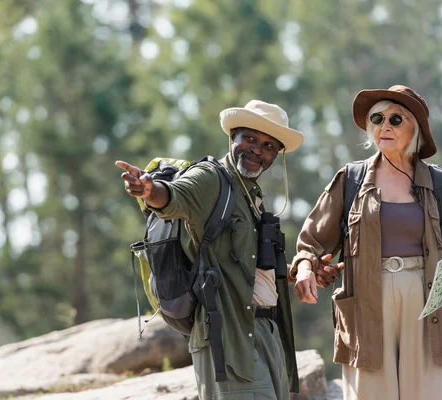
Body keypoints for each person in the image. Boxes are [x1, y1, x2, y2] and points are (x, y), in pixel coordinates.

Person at [116, 100, 339, 399]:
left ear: (277, 155)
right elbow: (173, 197)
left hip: (266, 333)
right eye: (250, 138)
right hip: (228, 337)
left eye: (269, 145)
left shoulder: (251, 196)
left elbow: (243, 267)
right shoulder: (210, 178)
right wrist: (149, 191)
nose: (258, 150)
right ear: (232, 135)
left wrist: (296, 274)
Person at [289, 85, 442, 399]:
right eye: (377, 118)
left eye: (396, 119)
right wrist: (303, 269)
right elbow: (310, 241)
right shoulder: (350, 180)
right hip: (366, 305)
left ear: (415, 129)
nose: (384, 126)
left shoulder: (438, 183)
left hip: (428, 305)